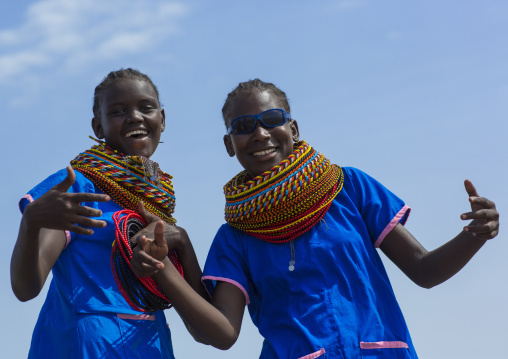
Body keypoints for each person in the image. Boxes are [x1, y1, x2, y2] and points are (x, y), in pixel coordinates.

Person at [131, 79, 499, 358]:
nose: (259, 133)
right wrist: (161, 266)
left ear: (293, 129)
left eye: (271, 119)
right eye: (242, 126)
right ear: (230, 145)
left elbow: (424, 270)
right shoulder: (236, 236)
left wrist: (474, 235)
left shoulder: (348, 187)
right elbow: (222, 333)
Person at [10, 68, 205, 359]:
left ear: (162, 119)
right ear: (98, 126)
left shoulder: (156, 202)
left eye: (146, 107)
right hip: (87, 345)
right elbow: (26, 288)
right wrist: (30, 224)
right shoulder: (81, 187)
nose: (135, 117)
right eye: (118, 111)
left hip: (151, 343)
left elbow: (206, 327)